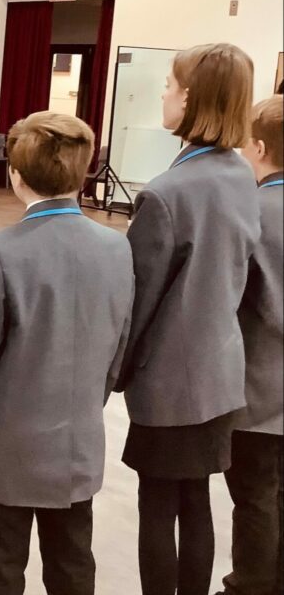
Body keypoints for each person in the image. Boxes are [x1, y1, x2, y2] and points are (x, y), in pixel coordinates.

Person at [0, 111, 134, 595]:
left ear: (15, 175)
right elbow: (118, 343)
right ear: (84, 170)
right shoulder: (116, 247)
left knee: (1, 569)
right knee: (72, 566)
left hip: (6, 448)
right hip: (77, 442)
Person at [115, 43, 259, 595]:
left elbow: (138, 302)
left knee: (158, 506)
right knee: (195, 500)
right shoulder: (241, 174)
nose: (163, 94)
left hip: (171, 381)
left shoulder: (169, 192)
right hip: (221, 372)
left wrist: (112, 375)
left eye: (170, 85)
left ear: (191, 97)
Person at [216, 94, 283, 595]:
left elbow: (229, 296)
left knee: (255, 495)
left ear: (257, 147)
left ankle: (252, 584)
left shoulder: (252, 212)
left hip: (260, 385)